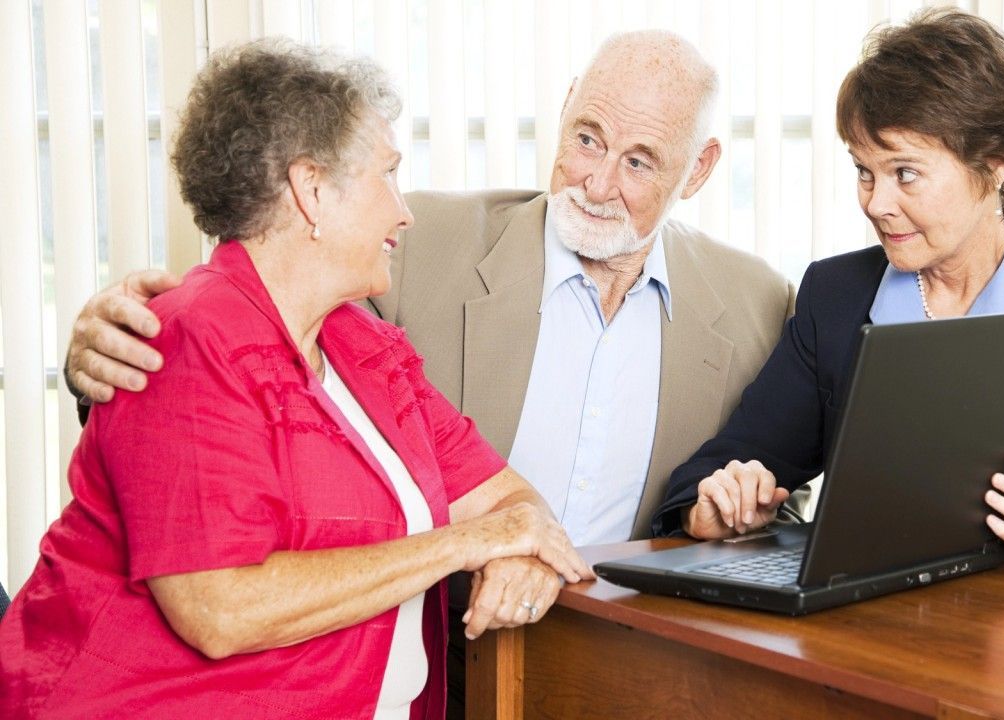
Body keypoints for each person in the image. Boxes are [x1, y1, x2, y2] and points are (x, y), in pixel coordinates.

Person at [0, 40, 591, 719]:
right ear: (312, 189)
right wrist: (470, 544)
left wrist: (519, 553)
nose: (405, 211)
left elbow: (510, 502)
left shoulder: (366, 345)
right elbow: (220, 608)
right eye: (387, 175)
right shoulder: (188, 340)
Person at [64, 30, 794, 548]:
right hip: (436, 649)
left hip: (633, 665)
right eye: (588, 138)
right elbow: (241, 341)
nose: (597, 183)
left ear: (697, 171)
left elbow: (785, 511)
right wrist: (110, 349)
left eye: (639, 162)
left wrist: (744, 516)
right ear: (567, 106)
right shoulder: (406, 246)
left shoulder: (759, 303)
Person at [652, 8, 1004, 595]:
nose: (876, 203)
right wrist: (712, 508)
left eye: (905, 174)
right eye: (864, 171)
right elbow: (733, 460)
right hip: (869, 627)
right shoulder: (835, 298)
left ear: (995, 162)